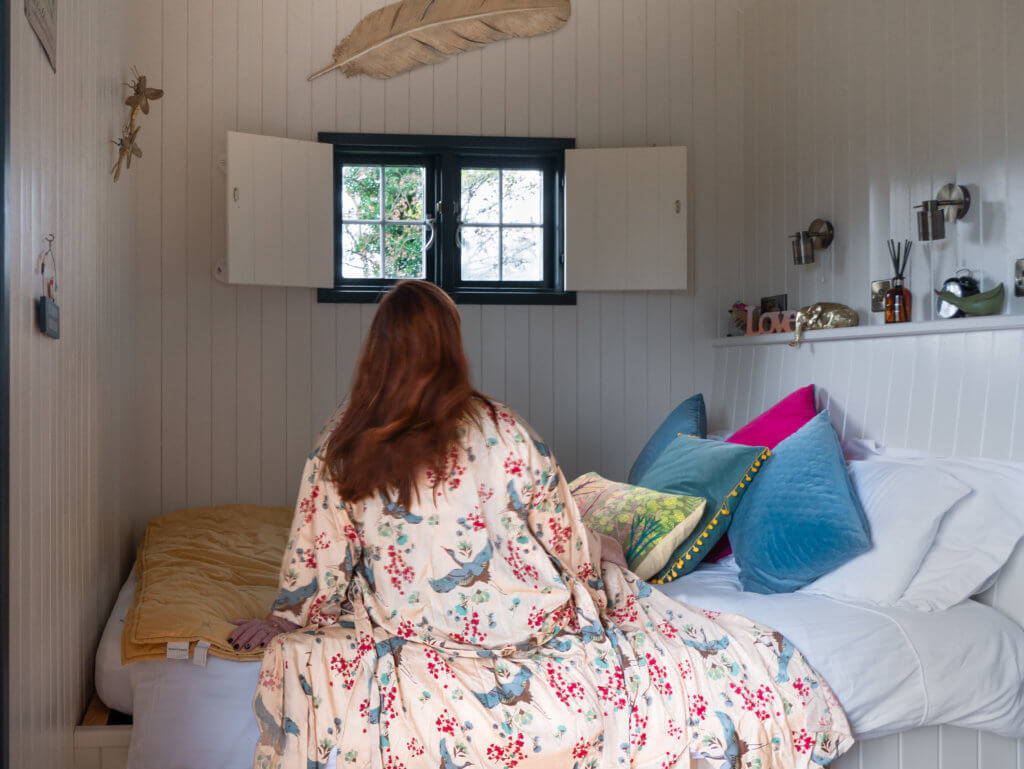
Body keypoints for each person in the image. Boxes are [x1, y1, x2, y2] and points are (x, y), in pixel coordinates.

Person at [234, 280, 853, 769]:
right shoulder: (501, 428)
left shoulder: (343, 440)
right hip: (522, 624)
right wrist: (600, 558)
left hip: (411, 623)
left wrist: (288, 623)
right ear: (452, 347)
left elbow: (317, 556)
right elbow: (559, 536)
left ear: (378, 349)